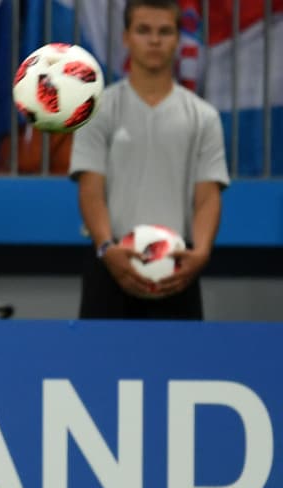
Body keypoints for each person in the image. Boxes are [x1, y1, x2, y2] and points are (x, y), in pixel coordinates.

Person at [69, 0, 229, 319]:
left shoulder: (203, 117)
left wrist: (200, 253)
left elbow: (208, 197)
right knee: (102, 353)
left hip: (178, 267)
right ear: (126, 37)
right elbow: (91, 190)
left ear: (178, 39)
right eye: (143, 30)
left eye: (165, 31)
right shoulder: (98, 111)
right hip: (111, 263)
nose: (154, 40)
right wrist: (107, 248)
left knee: (179, 352)